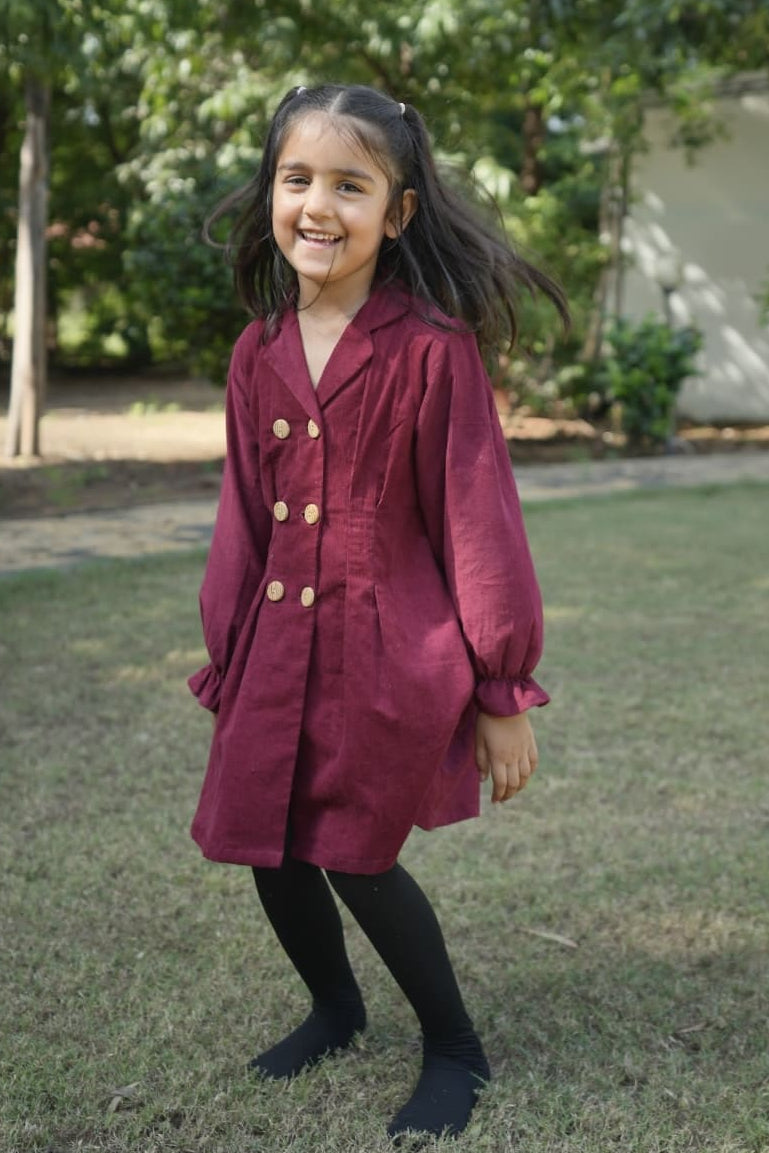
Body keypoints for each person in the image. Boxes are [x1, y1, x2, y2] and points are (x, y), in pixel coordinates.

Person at [188, 82, 568, 1143]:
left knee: (353, 850)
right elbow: (242, 515)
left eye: (349, 185)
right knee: (268, 845)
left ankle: (455, 1046)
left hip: (383, 649)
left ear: (396, 213)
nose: (318, 204)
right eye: (296, 178)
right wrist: (229, 650)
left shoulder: (430, 350)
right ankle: (335, 1008)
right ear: (272, 193)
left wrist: (501, 689)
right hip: (275, 647)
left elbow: (477, 520)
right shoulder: (258, 350)